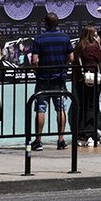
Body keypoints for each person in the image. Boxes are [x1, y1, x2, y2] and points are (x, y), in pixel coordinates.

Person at [30, 12, 74, 151]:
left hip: (43, 79)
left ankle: (38, 140)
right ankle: (61, 140)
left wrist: (37, 71)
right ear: (57, 23)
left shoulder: (39, 39)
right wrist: (63, 66)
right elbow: (71, 58)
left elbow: (34, 60)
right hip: (59, 79)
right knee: (60, 109)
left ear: (45, 24)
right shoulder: (65, 38)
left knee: (40, 109)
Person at [75, 25, 101, 146]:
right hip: (93, 78)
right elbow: (100, 59)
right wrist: (100, 46)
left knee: (83, 106)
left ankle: (82, 133)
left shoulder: (79, 46)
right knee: (92, 106)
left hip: (81, 79)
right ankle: (90, 133)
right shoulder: (93, 46)